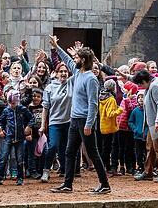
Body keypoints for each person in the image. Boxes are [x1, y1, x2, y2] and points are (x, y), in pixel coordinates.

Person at [49, 36, 111, 195]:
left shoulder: (91, 78)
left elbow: (93, 104)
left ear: (83, 60)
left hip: (84, 121)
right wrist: (56, 46)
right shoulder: (77, 72)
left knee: (93, 153)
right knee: (70, 152)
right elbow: (67, 59)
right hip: (75, 120)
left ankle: (105, 184)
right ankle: (67, 184)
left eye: (77, 57)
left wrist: (89, 124)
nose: (74, 60)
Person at [40, 63, 72, 183]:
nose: (63, 74)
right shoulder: (49, 88)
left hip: (69, 122)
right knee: (52, 146)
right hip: (55, 122)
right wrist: (43, 125)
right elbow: (45, 107)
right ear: (56, 73)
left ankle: (64, 169)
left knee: (66, 148)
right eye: (61, 71)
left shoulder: (71, 84)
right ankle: (46, 170)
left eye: (65, 71)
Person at [0, 90, 32, 187]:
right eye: (10, 103)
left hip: (20, 138)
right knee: (3, 157)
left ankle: (20, 178)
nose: (12, 105)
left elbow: (32, 118)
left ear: (18, 101)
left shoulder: (22, 109)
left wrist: (29, 126)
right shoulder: (6, 110)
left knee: (19, 159)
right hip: (8, 137)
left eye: (14, 103)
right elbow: (0, 122)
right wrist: (1, 130)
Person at [128, 91, 147, 174]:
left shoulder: (148, 111)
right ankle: (140, 167)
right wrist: (135, 129)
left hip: (147, 136)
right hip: (137, 136)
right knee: (138, 153)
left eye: (142, 97)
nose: (140, 99)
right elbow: (130, 122)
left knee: (147, 152)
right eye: (139, 97)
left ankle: (149, 167)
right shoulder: (135, 111)